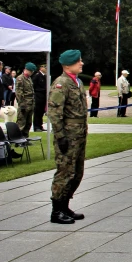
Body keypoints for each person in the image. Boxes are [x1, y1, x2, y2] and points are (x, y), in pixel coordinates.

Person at [49, 49, 89, 224]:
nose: (81, 63)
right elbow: (54, 112)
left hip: (79, 134)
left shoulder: (77, 82)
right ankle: (56, 211)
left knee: (77, 172)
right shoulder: (61, 83)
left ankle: (65, 206)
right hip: (67, 135)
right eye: (78, 61)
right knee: (65, 172)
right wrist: (60, 136)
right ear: (67, 65)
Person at [14, 63, 36, 137]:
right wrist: (22, 104)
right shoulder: (20, 78)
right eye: (31, 71)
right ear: (26, 70)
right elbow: (19, 93)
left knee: (28, 122)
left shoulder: (28, 78)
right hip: (24, 103)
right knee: (21, 122)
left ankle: (25, 137)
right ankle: (18, 139)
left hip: (30, 103)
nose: (32, 73)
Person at [32, 64, 47, 131]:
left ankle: (40, 125)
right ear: (41, 68)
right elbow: (33, 86)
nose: (46, 69)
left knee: (41, 111)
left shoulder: (45, 76)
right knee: (37, 111)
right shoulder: (37, 76)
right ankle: (36, 126)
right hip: (38, 95)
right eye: (45, 67)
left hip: (43, 96)